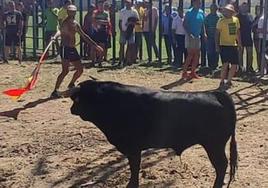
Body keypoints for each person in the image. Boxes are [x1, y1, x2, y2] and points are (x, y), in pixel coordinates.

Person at [51, 5, 103, 98]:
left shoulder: (75, 23)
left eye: (74, 11)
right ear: (68, 12)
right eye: (70, 11)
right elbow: (60, 31)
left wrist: (95, 46)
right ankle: (55, 91)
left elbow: (84, 36)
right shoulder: (65, 23)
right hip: (65, 48)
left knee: (80, 70)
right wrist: (55, 37)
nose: (72, 13)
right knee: (65, 71)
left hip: (72, 49)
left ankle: (71, 84)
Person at [216, 4, 241, 90]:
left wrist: (239, 43)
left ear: (232, 12)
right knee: (225, 64)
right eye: (226, 11)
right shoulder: (221, 21)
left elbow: (237, 32)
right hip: (224, 45)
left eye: (229, 11)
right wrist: (217, 45)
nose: (227, 12)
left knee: (234, 64)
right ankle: (222, 81)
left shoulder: (236, 20)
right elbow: (217, 34)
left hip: (233, 45)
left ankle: (229, 81)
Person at [181, 0, 206, 79]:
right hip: (190, 36)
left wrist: (204, 33)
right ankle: (184, 72)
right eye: (197, 3)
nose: (199, 4)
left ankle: (193, 72)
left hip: (197, 36)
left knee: (197, 54)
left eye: (200, 3)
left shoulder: (201, 12)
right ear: (193, 3)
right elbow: (184, 24)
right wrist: (189, 34)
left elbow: (202, 24)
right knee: (191, 54)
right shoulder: (189, 12)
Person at [118, 0, 139, 66]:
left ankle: (128, 60)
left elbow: (138, 22)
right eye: (126, 3)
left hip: (131, 31)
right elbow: (120, 21)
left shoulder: (134, 11)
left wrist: (131, 23)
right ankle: (120, 60)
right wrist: (121, 29)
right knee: (122, 46)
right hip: (123, 30)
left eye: (129, 3)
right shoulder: (122, 11)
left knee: (130, 46)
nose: (127, 4)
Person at [91, 0, 110, 67]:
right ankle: (93, 62)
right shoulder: (95, 12)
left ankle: (100, 62)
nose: (101, 7)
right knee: (94, 47)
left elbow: (107, 22)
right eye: (100, 5)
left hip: (103, 32)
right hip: (95, 31)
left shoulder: (106, 13)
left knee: (102, 47)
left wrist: (98, 21)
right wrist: (102, 21)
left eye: (102, 5)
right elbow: (93, 21)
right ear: (98, 6)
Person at [237, 2, 254, 73]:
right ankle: (241, 68)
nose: (244, 8)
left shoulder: (250, 16)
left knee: (250, 52)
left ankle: (249, 68)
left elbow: (252, 25)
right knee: (240, 53)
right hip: (240, 37)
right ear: (240, 8)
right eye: (243, 7)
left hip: (248, 36)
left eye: (245, 7)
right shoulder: (237, 16)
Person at [204, 3, 220, 72]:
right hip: (209, 37)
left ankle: (215, 65)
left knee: (216, 51)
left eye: (214, 8)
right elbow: (205, 26)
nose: (213, 10)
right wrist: (205, 34)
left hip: (218, 37)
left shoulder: (219, 17)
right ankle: (210, 66)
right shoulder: (208, 17)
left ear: (216, 9)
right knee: (210, 51)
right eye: (212, 8)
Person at [252, 5, 262, 72]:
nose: (258, 11)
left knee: (263, 54)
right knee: (258, 53)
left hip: (262, 39)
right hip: (256, 38)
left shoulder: (264, 18)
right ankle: (259, 67)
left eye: (259, 9)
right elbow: (252, 28)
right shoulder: (255, 18)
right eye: (257, 9)